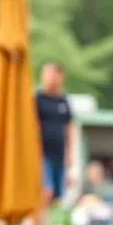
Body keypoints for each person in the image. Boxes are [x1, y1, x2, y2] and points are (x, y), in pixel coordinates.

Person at [35, 60, 75, 204]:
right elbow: (34, 128)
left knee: (58, 195)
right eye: (46, 74)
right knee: (46, 191)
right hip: (43, 155)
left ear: (60, 77)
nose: (49, 78)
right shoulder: (37, 99)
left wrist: (69, 157)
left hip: (59, 154)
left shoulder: (63, 100)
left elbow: (69, 129)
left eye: (52, 74)